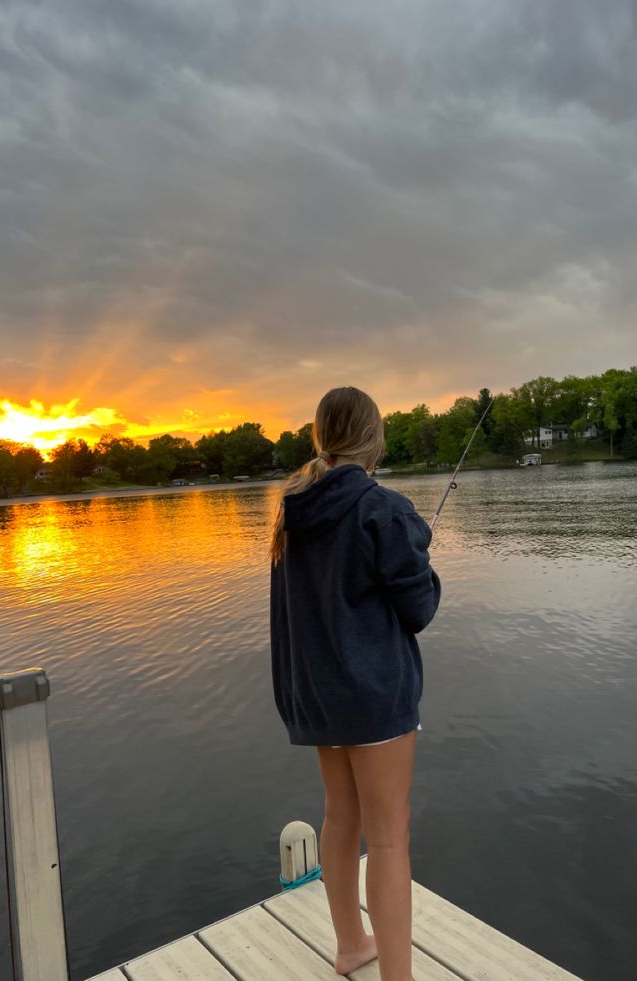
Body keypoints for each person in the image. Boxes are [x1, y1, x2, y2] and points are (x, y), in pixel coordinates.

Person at [269, 386, 441, 981]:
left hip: (319, 696)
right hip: (373, 697)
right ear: (374, 438)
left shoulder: (292, 508)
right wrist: (420, 557)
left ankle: (351, 945)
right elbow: (418, 609)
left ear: (320, 437)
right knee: (390, 837)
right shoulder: (382, 508)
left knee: (342, 817)